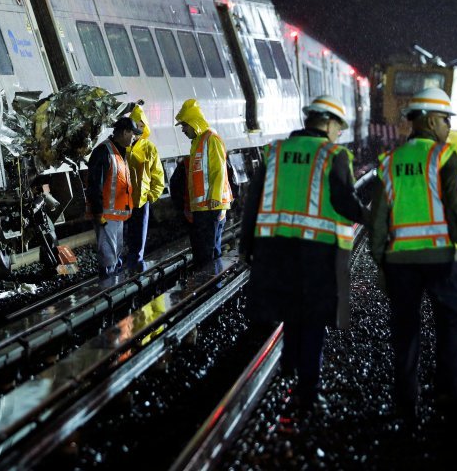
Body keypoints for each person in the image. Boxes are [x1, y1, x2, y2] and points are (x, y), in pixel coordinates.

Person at [240, 95, 368, 411]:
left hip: (274, 249)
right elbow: (343, 201)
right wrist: (372, 216)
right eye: (338, 126)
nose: (339, 132)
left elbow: (252, 201)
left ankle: (288, 368)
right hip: (317, 252)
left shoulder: (276, 151)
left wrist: (247, 245)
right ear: (326, 122)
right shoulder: (333, 155)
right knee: (312, 318)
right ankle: (308, 388)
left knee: (288, 312)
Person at [369, 87, 457, 423]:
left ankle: (406, 402)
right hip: (443, 259)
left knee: (405, 330)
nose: (449, 126)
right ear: (431, 120)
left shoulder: (389, 162)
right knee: (452, 325)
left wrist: (380, 262)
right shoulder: (445, 157)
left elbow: (378, 219)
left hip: (401, 263)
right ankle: (448, 396)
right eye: (446, 120)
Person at [174, 99, 233, 271]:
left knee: (207, 254)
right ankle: (211, 286)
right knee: (205, 252)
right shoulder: (198, 142)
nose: (183, 130)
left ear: (193, 123)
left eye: (185, 125)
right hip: (203, 207)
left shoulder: (211, 139)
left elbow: (219, 169)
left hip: (211, 205)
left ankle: (212, 287)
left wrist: (214, 196)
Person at [85, 117, 139, 278]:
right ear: (124, 132)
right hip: (105, 215)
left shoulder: (119, 152)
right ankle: (108, 285)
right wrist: (98, 212)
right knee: (108, 254)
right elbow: (95, 184)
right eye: (133, 134)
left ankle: (114, 283)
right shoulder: (104, 152)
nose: (134, 138)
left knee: (115, 252)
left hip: (116, 215)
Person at [125, 105, 165, 273]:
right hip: (123, 200)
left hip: (141, 200)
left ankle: (136, 266)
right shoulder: (123, 146)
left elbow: (157, 175)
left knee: (138, 236)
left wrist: (151, 195)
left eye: (142, 125)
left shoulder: (149, 148)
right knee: (125, 235)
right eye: (136, 125)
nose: (139, 129)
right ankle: (126, 265)